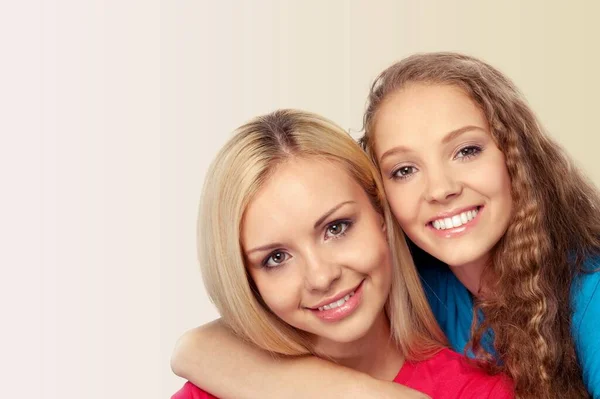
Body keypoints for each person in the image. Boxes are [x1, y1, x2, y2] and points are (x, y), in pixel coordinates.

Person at [172, 53, 600, 398]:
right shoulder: (418, 284)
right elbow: (197, 348)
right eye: (404, 170)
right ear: (384, 201)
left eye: (467, 150)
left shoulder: (589, 301)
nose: (441, 189)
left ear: (516, 156)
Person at [171, 110, 513, 399]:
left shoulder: (479, 390)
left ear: (381, 214)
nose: (321, 277)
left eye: (336, 228)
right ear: (248, 280)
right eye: (276, 257)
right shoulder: (213, 390)